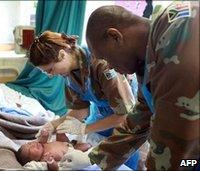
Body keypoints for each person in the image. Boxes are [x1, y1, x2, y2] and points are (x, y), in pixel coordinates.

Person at [61, 1, 199, 170]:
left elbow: (176, 129)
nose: (109, 66)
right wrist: (94, 158)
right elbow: (141, 118)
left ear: (115, 36)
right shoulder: (147, 61)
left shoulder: (179, 28)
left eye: (105, 57)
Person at [28, 31, 139, 169]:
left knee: (123, 157)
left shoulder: (102, 65)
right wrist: (53, 124)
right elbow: (81, 111)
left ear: (62, 55)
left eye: (51, 70)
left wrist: (84, 128)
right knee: (95, 148)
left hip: (127, 116)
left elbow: (124, 116)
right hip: (101, 112)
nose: (51, 75)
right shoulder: (69, 74)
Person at [15, 129, 92, 170]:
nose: (32, 144)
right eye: (30, 149)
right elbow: (55, 168)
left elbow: (43, 139)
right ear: (33, 160)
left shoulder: (41, 144)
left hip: (64, 142)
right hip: (71, 152)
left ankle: (71, 140)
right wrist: (51, 162)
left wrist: (44, 134)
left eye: (29, 143)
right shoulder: (44, 160)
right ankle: (86, 147)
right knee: (87, 146)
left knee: (59, 130)